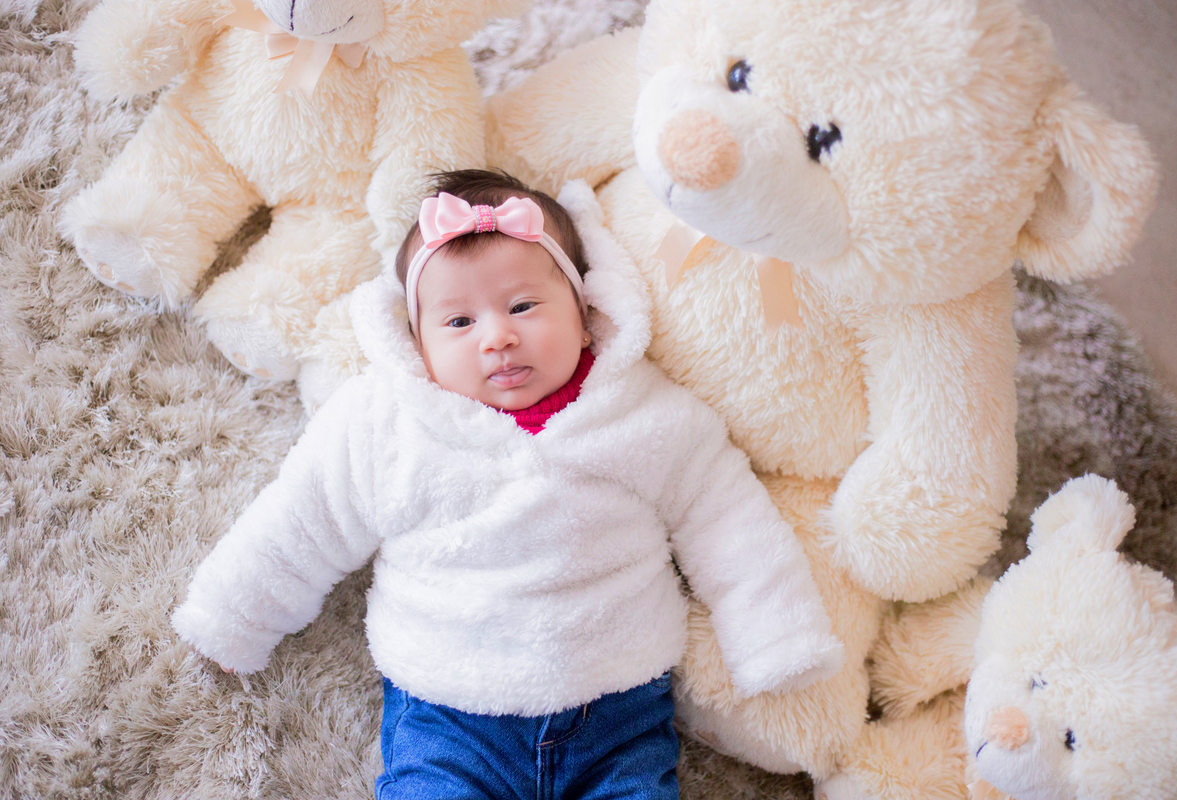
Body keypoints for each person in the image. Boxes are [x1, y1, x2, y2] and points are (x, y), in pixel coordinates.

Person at [172, 170, 844, 800]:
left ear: (585, 312)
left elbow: (725, 515)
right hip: (449, 715)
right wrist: (234, 617)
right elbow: (302, 520)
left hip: (618, 710)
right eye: (459, 322)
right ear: (417, 342)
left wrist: (773, 635)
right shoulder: (384, 421)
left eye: (523, 305)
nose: (497, 337)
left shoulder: (644, 411)